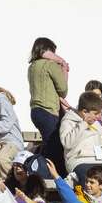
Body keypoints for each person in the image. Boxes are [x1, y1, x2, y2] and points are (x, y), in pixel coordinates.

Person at [26, 37, 69, 167]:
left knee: (47, 143)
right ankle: (49, 174)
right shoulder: (50, 65)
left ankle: (40, 169)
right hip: (48, 110)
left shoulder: (32, 67)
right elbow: (63, 90)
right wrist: (63, 69)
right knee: (54, 147)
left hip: (35, 111)